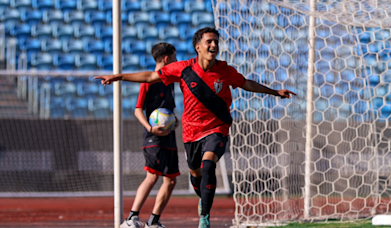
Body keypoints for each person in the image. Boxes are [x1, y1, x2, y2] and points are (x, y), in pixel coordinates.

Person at [95, 27, 296, 228]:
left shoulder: (225, 71)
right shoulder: (183, 69)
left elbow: (246, 84)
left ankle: (204, 218)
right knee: (196, 173)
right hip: (191, 133)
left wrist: (275, 92)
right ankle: (200, 196)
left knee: (208, 165)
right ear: (197, 47)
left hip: (217, 128)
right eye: (209, 41)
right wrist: (118, 76)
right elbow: (150, 77)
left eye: (216, 41)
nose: (214, 45)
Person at [120, 43, 179, 228]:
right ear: (167, 59)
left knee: (170, 180)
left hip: (169, 136)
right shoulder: (148, 80)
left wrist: (174, 121)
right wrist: (150, 128)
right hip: (153, 136)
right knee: (152, 176)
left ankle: (153, 221)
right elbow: (138, 110)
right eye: (175, 57)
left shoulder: (170, 82)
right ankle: (131, 218)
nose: (177, 61)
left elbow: (169, 111)